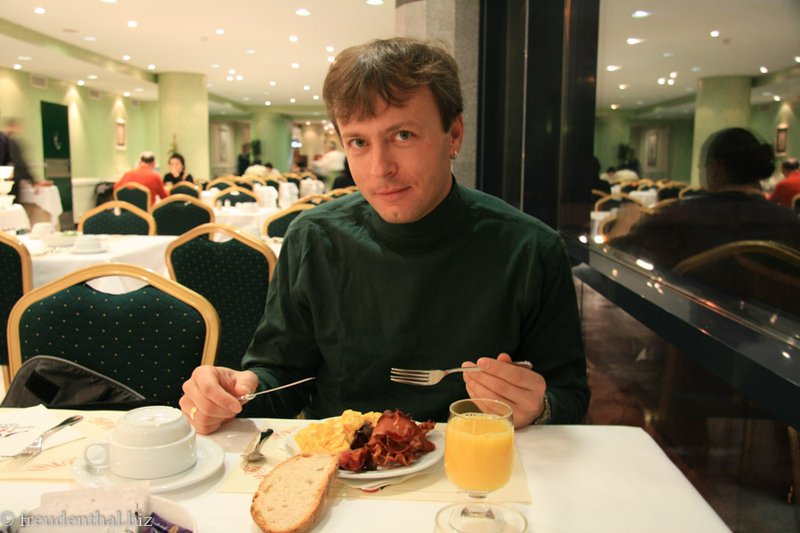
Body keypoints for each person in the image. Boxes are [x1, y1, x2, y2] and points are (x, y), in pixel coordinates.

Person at [179, 37, 589, 434]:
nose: (380, 168)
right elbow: (282, 376)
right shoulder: (313, 238)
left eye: (403, 135)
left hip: (474, 465)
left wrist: (540, 407)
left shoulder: (530, 249)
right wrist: (240, 391)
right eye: (359, 142)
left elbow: (569, 395)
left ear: (454, 134)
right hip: (341, 465)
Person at [611, 128, 800, 269]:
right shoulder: (790, 222)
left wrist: (624, 222)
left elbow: (614, 261)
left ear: (715, 169)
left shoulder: (679, 219)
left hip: (687, 311)